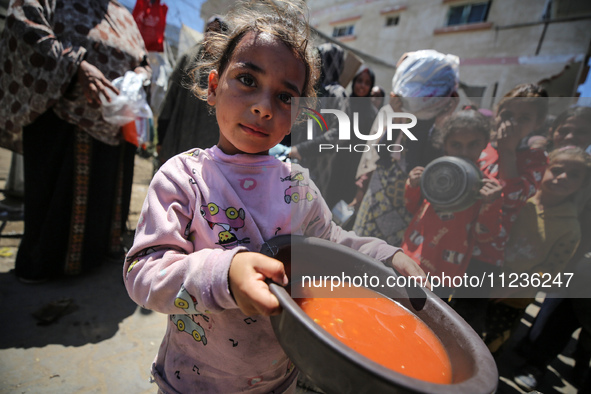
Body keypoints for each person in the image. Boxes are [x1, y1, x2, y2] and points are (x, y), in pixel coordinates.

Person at [123, 1, 425, 392]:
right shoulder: (183, 178)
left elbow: (333, 243)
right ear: (213, 87)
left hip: (280, 380)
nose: (263, 108)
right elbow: (143, 273)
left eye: (284, 97)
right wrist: (225, 274)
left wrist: (388, 255)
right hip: (194, 382)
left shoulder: (298, 186)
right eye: (248, 80)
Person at [0, 0, 151, 281]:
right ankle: (45, 265)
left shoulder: (120, 13)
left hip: (115, 125)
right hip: (64, 118)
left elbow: (142, 58)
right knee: (61, 197)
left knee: (104, 195)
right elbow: (23, 27)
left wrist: (141, 74)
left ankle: (97, 256)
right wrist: (75, 64)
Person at [484, 146, 591, 356]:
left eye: (574, 175)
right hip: (483, 281)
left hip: (513, 299)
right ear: (544, 168)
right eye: (557, 169)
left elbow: (551, 271)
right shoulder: (519, 201)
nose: (563, 177)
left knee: (487, 347)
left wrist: (509, 288)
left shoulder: (570, 228)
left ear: (583, 184)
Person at [352, 50, 460, 247]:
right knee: (360, 250)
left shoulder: (431, 123)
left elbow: (426, 161)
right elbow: (380, 152)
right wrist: (397, 115)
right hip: (377, 197)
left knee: (385, 261)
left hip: (406, 203)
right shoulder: (392, 113)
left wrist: (442, 121)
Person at [400, 109, 503, 297]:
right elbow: (412, 208)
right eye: (456, 145)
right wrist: (413, 185)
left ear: (484, 144)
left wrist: (491, 204)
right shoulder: (436, 173)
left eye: (473, 144)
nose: (464, 152)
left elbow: (485, 236)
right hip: (410, 256)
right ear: (445, 145)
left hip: (443, 273)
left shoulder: (486, 187)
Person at [157, 15, 228, 165]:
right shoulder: (188, 58)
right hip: (180, 136)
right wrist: (161, 136)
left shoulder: (228, 67)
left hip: (211, 144)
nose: (212, 36)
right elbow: (170, 99)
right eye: (210, 31)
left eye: (218, 32)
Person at [288, 42, 349, 197]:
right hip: (297, 165)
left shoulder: (337, 93)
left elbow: (340, 134)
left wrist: (302, 149)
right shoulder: (315, 91)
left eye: (319, 61)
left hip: (316, 170)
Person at [324, 66, 378, 213]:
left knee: (340, 210)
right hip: (333, 160)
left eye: (367, 83)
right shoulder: (343, 103)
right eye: (360, 81)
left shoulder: (372, 113)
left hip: (353, 167)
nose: (362, 86)